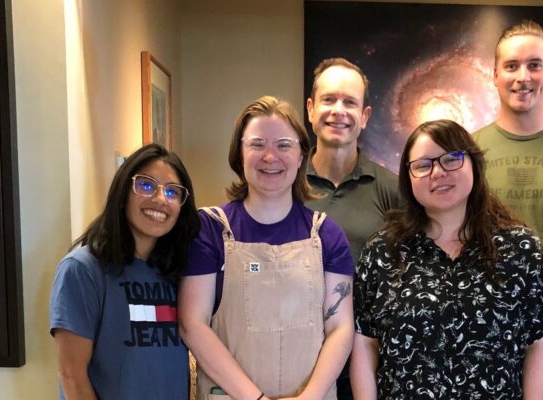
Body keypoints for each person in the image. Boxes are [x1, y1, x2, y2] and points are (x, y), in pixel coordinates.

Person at [351, 119, 543, 399]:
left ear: (474, 164)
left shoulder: (521, 250)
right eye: (423, 165)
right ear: (407, 178)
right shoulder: (383, 252)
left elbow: (540, 344)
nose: (438, 172)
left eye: (452, 159)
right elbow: (365, 343)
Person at [179, 96, 354, 400]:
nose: (270, 157)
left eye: (284, 145)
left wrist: (310, 396)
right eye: (257, 144)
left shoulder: (327, 234)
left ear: (301, 155)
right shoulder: (210, 230)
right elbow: (192, 324)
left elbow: (340, 327)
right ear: (239, 154)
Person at [49, 143, 200, 400]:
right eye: (146, 185)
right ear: (123, 192)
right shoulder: (82, 270)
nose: (161, 199)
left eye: (173, 192)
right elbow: (72, 375)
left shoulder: (176, 271)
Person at [305, 57, 400, 399]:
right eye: (329, 100)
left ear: (365, 117)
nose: (338, 111)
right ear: (311, 108)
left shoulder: (393, 191)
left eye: (350, 102)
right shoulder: (283, 185)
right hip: (298, 354)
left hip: (367, 361)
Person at [473, 20, 543, 257]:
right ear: (495, 75)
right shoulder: (467, 152)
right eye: (511, 66)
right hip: (485, 291)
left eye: (534, 65)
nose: (523, 77)